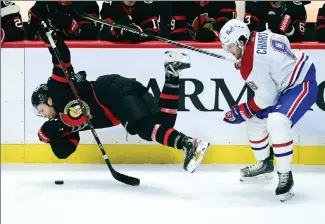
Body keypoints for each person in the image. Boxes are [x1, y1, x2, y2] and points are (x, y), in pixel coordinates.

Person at [31, 26, 210, 173]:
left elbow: (62, 59)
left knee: (141, 128)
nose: (44, 116)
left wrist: (52, 39)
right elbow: (64, 152)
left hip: (111, 92)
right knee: (164, 123)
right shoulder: (65, 126)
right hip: (121, 94)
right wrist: (49, 134)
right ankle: (172, 73)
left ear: (49, 100)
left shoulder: (58, 89)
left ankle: (189, 143)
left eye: (41, 110)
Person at [219, 19, 318, 202]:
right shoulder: (259, 34)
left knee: (277, 121)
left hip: (301, 82)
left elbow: (267, 98)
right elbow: (283, 41)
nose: (229, 52)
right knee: (255, 121)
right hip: (285, 83)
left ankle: (285, 175)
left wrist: (243, 110)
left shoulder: (250, 64)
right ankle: (265, 164)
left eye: (230, 47)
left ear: (241, 42)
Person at [26, 1, 99, 40]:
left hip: (80, 55)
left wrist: (73, 26)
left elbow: (91, 36)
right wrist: (43, 35)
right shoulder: (43, 3)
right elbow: (30, 34)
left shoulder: (89, 3)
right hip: (48, 54)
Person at [244, 1, 310, 42]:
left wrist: (288, 29)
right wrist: (267, 25)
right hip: (260, 49)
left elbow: (300, 37)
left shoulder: (296, 6)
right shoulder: (253, 4)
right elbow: (247, 31)